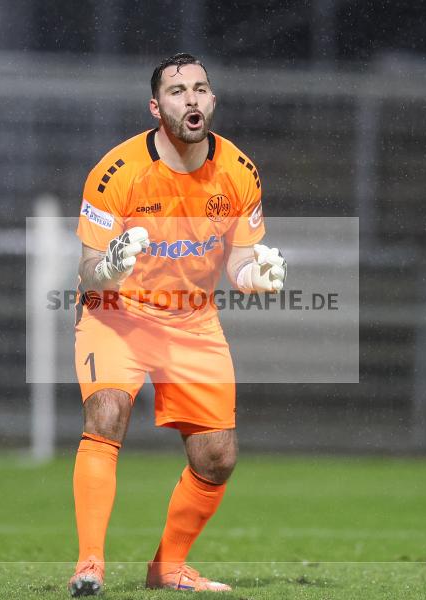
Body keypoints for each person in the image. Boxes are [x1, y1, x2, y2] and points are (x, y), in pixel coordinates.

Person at [69, 53, 287, 596]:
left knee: (218, 458)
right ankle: (89, 565)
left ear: (212, 101)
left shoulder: (239, 171)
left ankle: (167, 567)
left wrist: (254, 273)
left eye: (200, 89)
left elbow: (239, 258)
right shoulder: (116, 172)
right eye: (177, 91)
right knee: (107, 412)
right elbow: (88, 267)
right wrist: (112, 265)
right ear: (155, 106)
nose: (191, 99)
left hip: (192, 321)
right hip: (116, 313)